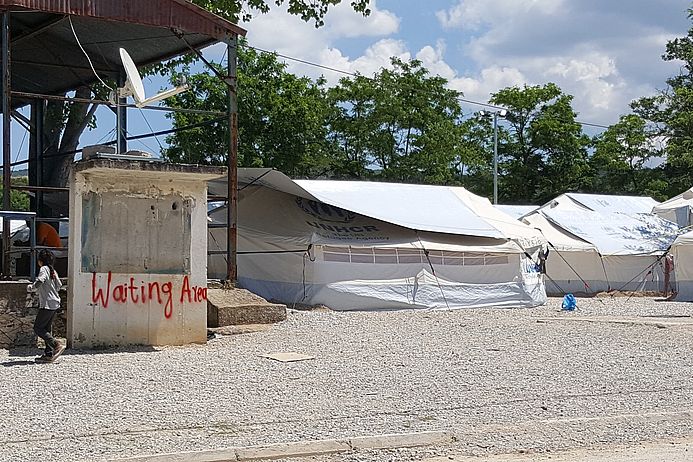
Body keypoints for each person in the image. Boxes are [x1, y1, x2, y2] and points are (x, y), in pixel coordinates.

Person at [29, 249, 65, 363]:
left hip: (47, 303)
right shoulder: (53, 271)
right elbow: (59, 285)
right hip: (55, 302)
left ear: (40, 261)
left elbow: (40, 280)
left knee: (38, 328)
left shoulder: (44, 269)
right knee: (47, 329)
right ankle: (49, 354)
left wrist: (32, 288)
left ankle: (56, 344)